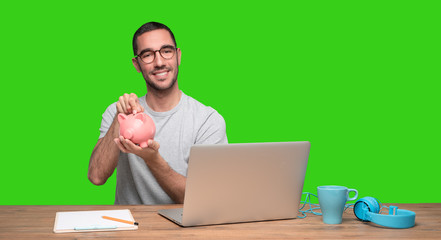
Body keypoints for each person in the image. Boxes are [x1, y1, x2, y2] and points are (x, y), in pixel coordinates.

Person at [88, 22, 228, 205]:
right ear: (137, 64)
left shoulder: (207, 121)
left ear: (178, 56)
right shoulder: (117, 113)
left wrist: (152, 159)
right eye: (147, 55)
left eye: (166, 51)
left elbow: (203, 200)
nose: (159, 62)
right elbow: (96, 177)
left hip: (184, 229)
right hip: (130, 228)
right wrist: (120, 120)